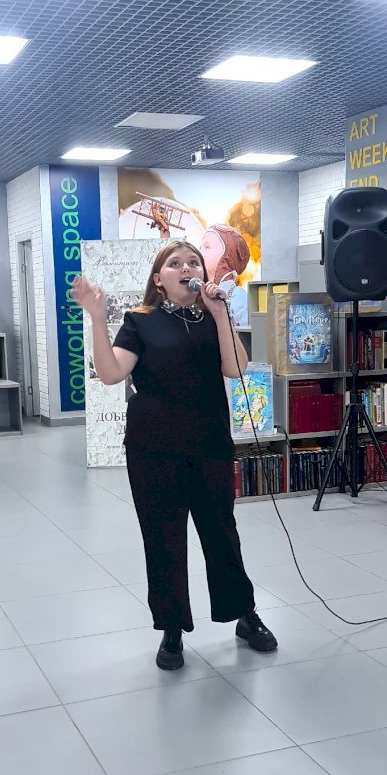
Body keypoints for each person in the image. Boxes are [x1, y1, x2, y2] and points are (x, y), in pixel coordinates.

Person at [71, 240, 278, 671]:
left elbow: (236, 369)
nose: (187, 268)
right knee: (163, 539)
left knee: (222, 533)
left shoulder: (214, 316)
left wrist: (221, 314)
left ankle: (244, 614)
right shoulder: (140, 321)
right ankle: (171, 628)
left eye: (194, 262)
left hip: (209, 443)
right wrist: (97, 318)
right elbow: (110, 374)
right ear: (159, 279)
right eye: (176, 263)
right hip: (154, 449)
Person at [200, 224, 250, 326]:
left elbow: (247, 333)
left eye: (207, 247)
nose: (199, 252)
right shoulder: (198, 294)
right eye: (200, 247)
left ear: (228, 256)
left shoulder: (237, 296)